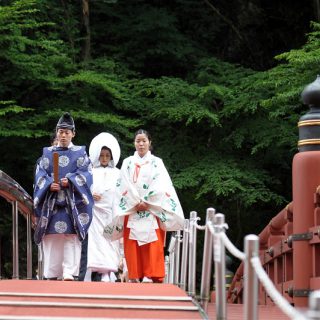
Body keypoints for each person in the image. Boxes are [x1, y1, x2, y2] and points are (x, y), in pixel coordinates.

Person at [105, 129, 184, 283]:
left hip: (151, 208)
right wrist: (135, 202)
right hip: (132, 208)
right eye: (138, 141)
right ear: (134, 143)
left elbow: (162, 185)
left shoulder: (157, 162)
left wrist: (147, 202)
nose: (141, 144)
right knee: (133, 244)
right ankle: (134, 274)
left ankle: (150, 274)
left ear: (149, 142)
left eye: (144, 141)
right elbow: (122, 185)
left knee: (152, 243)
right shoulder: (127, 162)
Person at [33, 112, 93, 281]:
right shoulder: (47, 154)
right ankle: (51, 272)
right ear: (57, 133)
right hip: (51, 202)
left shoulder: (81, 154)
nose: (64, 135)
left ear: (73, 133)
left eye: (67, 132)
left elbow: (87, 175)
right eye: (61, 131)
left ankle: (69, 272)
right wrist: (48, 184)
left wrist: (71, 181)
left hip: (72, 202)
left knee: (71, 236)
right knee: (51, 236)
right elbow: (40, 175)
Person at [83, 132, 122, 282]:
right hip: (95, 210)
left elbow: (121, 192)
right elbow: (84, 189)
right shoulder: (90, 172)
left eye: (107, 155)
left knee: (110, 240)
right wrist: (91, 195)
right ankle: (94, 269)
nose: (104, 158)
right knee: (95, 241)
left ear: (111, 156)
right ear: (97, 156)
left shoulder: (118, 173)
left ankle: (109, 270)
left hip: (111, 211)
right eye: (102, 155)